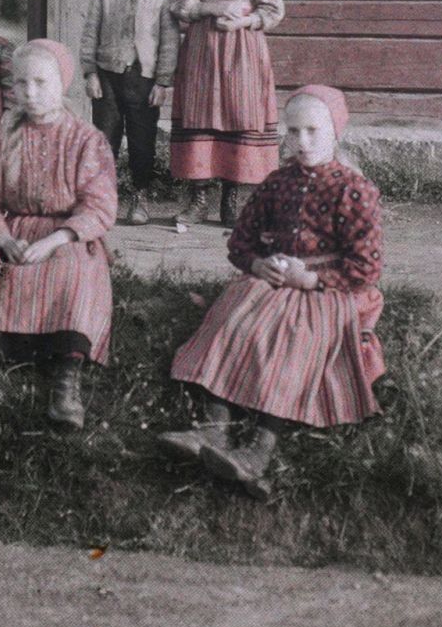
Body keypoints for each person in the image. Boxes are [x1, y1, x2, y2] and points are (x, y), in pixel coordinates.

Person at [159, 85, 383, 499]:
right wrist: (257, 264)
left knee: (293, 344)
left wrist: (312, 279)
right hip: (272, 279)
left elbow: (366, 266)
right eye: (293, 132)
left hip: (322, 290)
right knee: (233, 319)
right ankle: (213, 430)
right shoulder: (276, 183)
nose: (302, 142)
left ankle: (259, 449)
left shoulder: (354, 190)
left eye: (313, 131)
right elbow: (240, 242)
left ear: (336, 131)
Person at [0, 39, 119, 432]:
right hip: (12, 231)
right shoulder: (1, 138)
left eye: (41, 82)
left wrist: (56, 240)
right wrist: (1, 239)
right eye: (21, 83)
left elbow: (99, 206)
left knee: (73, 277)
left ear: (62, 83)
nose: (30, 93)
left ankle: (66, 382)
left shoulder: (87, 140)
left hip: (67, 237)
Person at [168, 0, 285, 228]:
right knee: (200, 115)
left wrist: (246, 20)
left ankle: (231, 200)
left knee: (239, 113)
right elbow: (179, 2)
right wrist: (214, 7)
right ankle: (198, 199)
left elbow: (274, 10)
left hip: (243, 51)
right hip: (203, 50)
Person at [79, 0, 179, 228]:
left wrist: (163, 81)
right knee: (104, 138)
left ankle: (140, 196)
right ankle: (102, 199)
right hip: (108, 77)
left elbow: (169, 41)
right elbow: (90, 33)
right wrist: (90, 73)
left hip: (144, 78)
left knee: (141, 140)